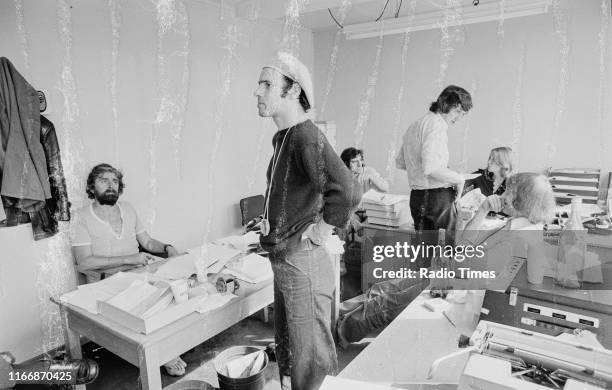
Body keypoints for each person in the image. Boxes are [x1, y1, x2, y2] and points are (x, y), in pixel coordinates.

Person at [336, 173, 555, 347]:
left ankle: (336, 336)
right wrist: (483, 210)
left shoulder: (520, 236)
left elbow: (468, 263)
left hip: (454, 290)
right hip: (448, 277)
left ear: (521, 200)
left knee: (385, 303)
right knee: (383, 289)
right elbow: (466, 248)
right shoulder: (513, 225)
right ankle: (333, 318)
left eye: (508, 191)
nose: (502, 194)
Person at [254, 52, 361, 390]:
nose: (257, 91)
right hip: (285, 259)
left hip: (303, 262)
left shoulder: (304, 135)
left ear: (292, 90)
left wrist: (322, 230)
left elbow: (346, 190)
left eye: (267, 84)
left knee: (310, 355)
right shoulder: (285, 137)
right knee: (291, 347)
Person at [70, 163, 186, 376]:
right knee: (148, 306)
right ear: (91, 187)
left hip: (138, 274)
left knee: (177, 291)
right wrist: (130, 258)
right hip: (105, 282)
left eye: (114, 181)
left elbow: (148, 242)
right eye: (104, 180)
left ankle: (169, 346)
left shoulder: (129, 209)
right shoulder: (81, 217)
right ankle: (164, 354)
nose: (110, 185)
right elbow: (84, 262)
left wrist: (168, 248)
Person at [395, 85, 473, 248]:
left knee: (424, 254)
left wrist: (440, 170)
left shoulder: (415, 125)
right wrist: (458, 179)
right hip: (437, 199)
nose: (458, 118)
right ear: (448, 104)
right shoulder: (436, 125)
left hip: (417, 198)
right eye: (458, 112)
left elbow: (401, 162)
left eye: (462, 114)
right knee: (445, 254)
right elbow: (430, 168)